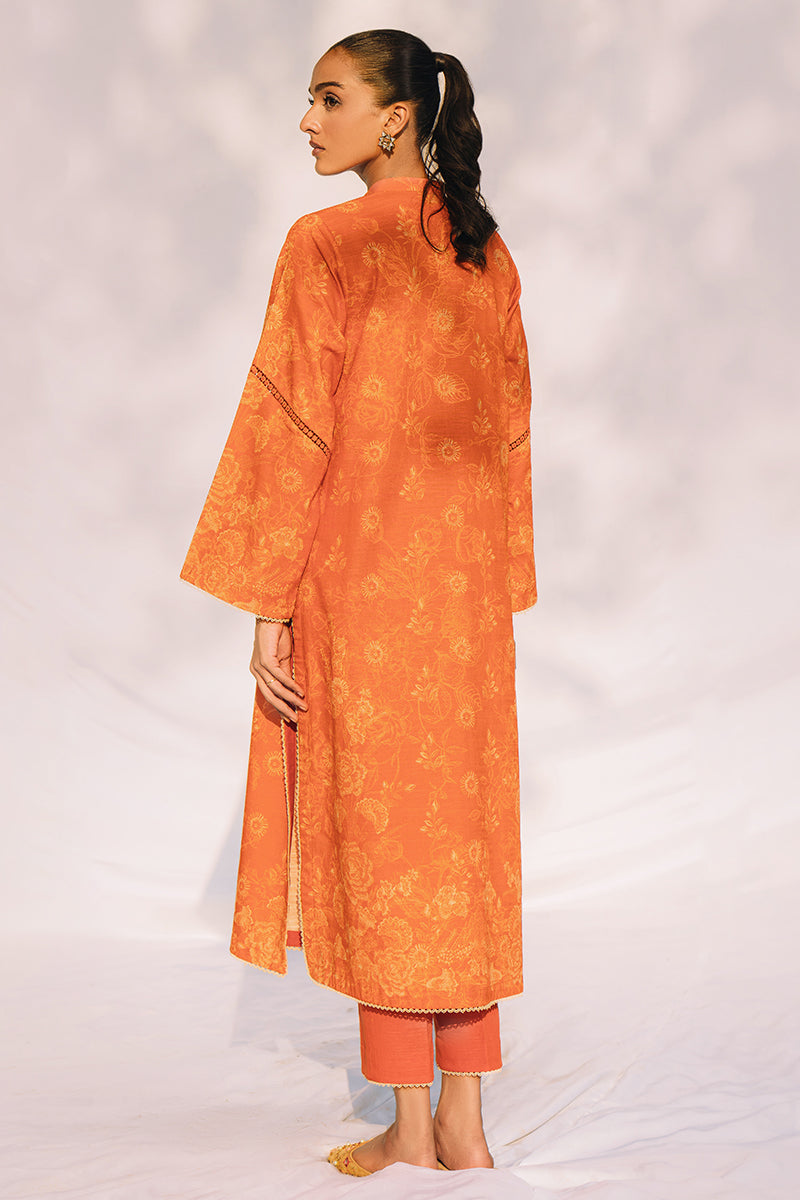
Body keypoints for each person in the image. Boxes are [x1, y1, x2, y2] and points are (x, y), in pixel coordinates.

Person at [180, 28, 536, 1177]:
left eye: (328, 99)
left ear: (394, 117)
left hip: (361, 593)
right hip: (462, 603)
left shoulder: (324, 244)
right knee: (457, 848)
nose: (306, 120)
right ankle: (460, 1124)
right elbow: (511, 435)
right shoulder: (485, 249)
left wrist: (266, 603)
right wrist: (499, 583)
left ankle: (412, 1123)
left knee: (385, 851)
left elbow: (288, 427)